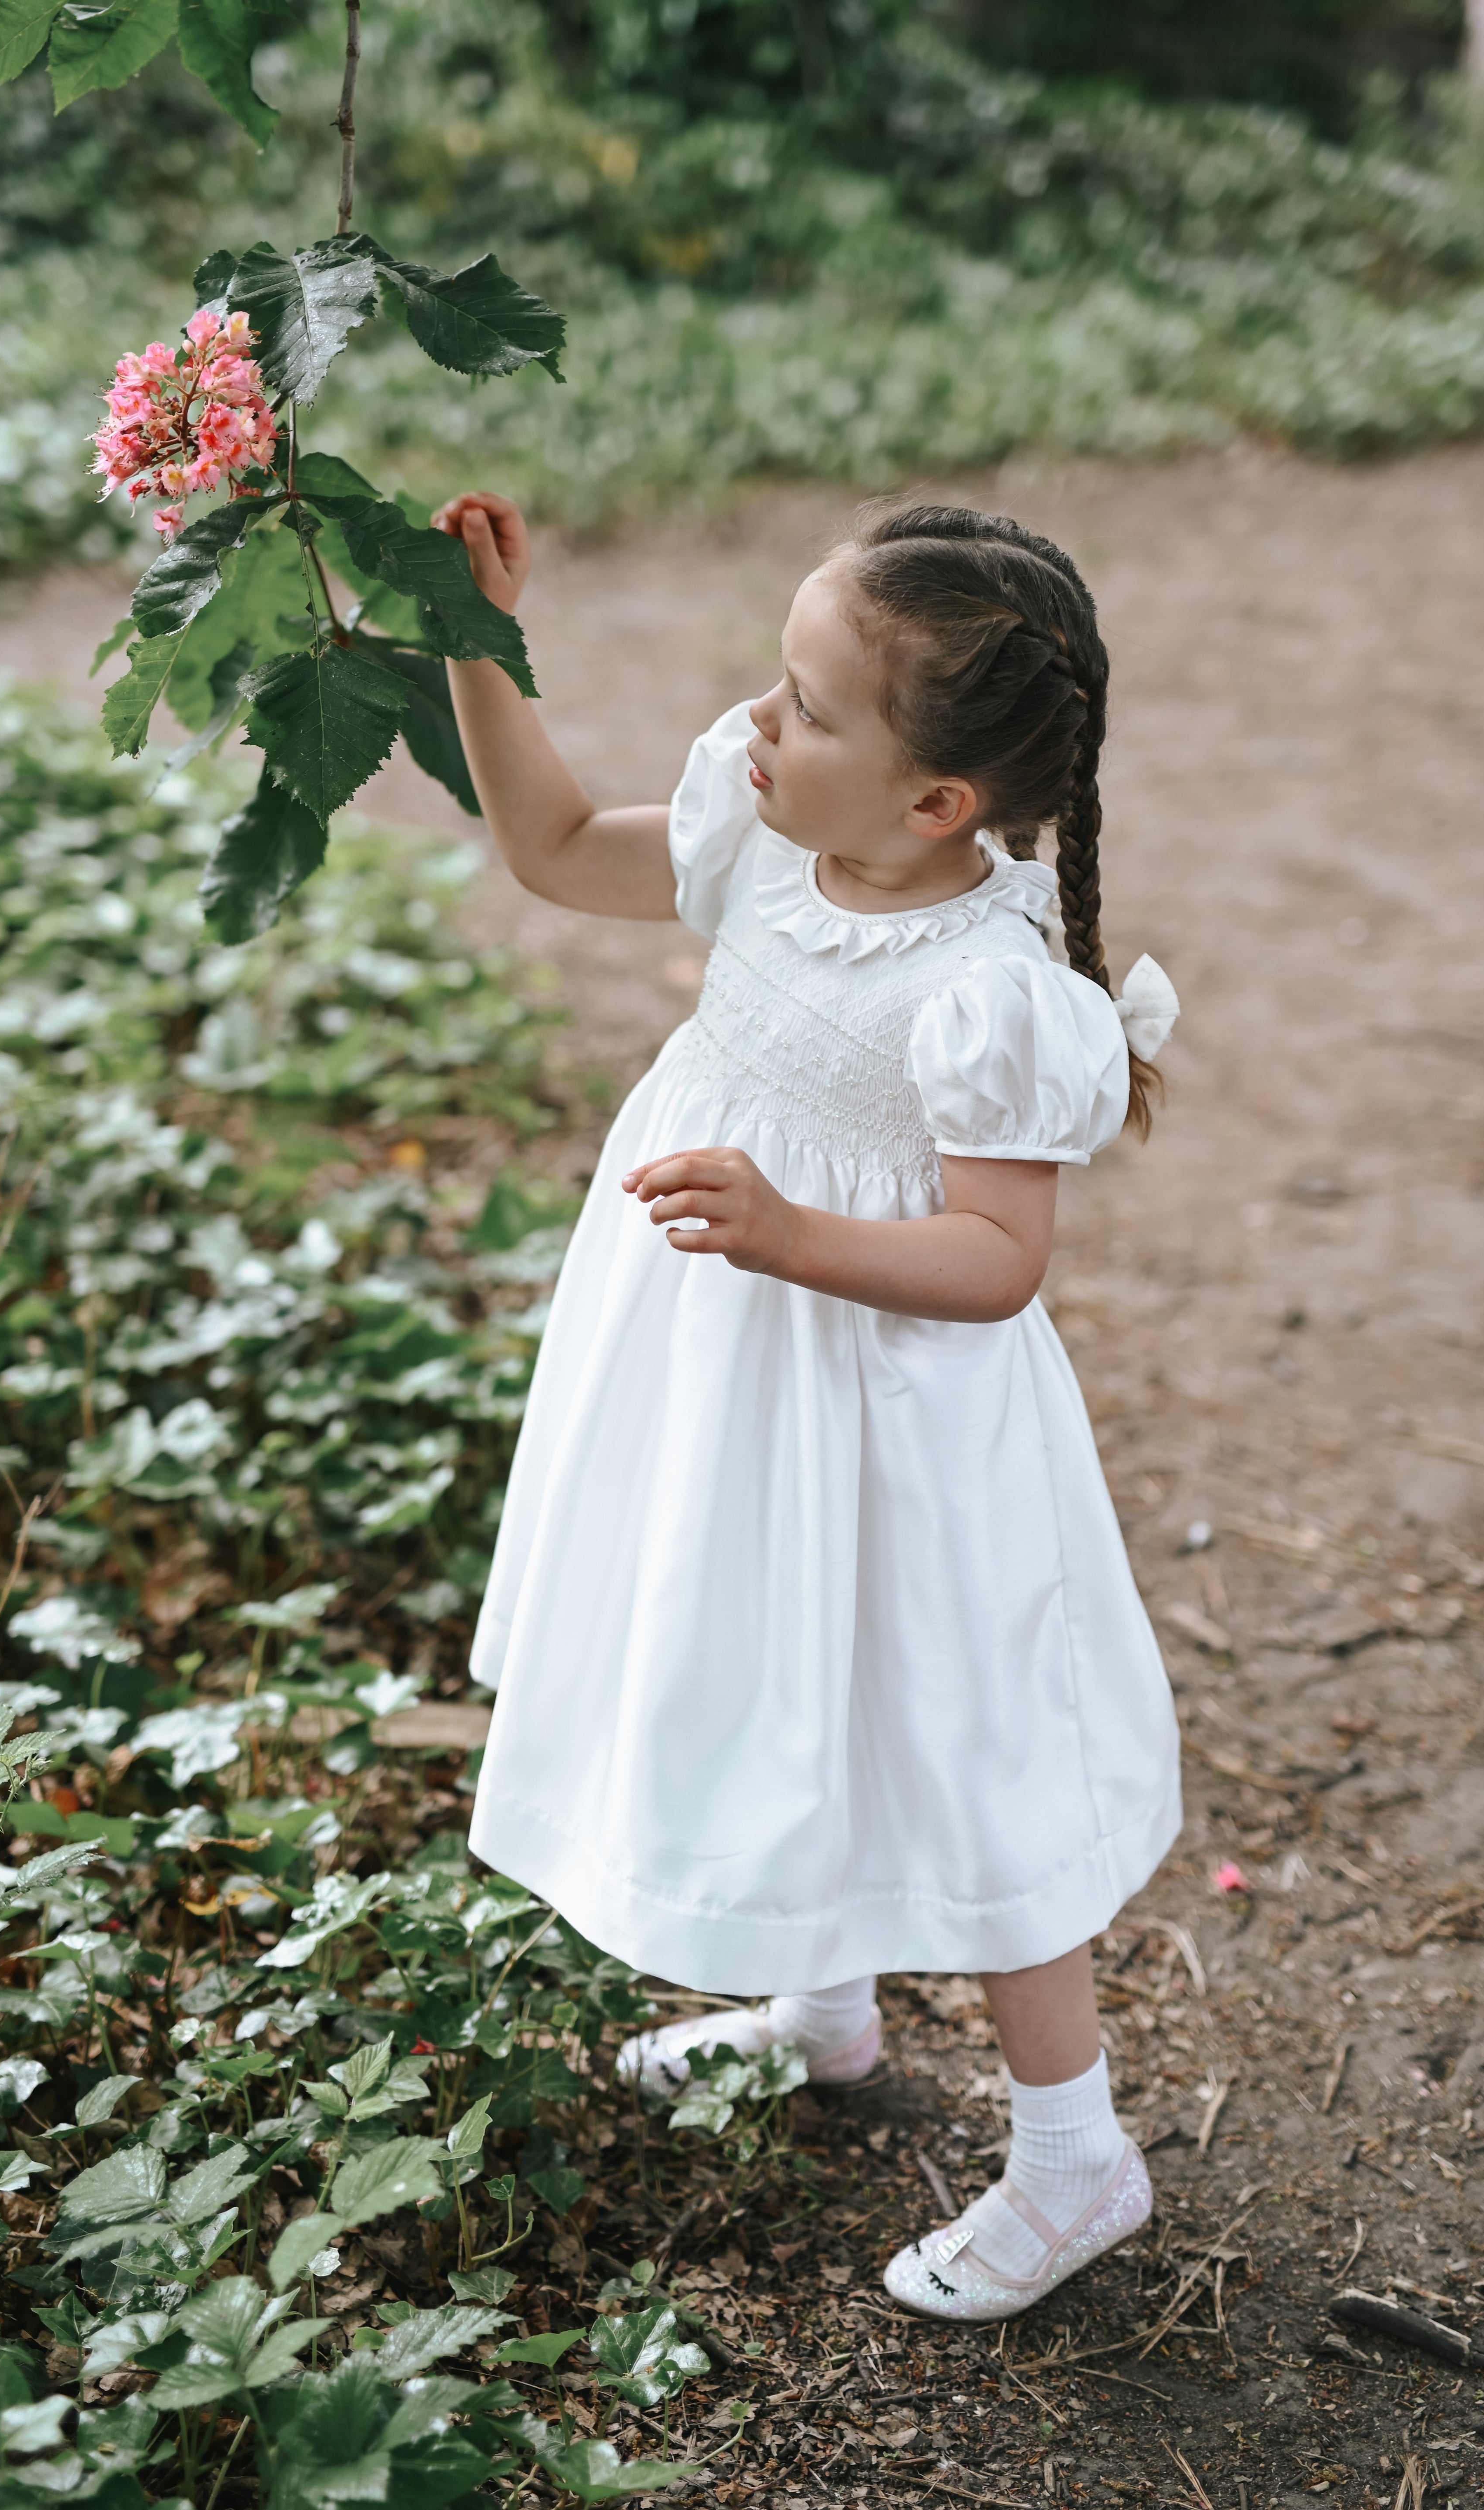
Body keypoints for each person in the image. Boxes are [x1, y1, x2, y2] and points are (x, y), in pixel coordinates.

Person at [430, 488, 1183, 2323]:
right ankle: (825, 2005)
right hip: (721, 1380)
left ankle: (1076, 2149)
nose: (759, 723)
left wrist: (788, 1228)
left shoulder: (990, 990)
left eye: (807, 706)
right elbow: (540, 845)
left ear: (940, 802)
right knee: (780, 1669)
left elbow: (998, 1261)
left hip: (898, 1420)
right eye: (773, 683)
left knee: (956, 1725)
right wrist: (473, 635)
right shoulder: (763, 841)